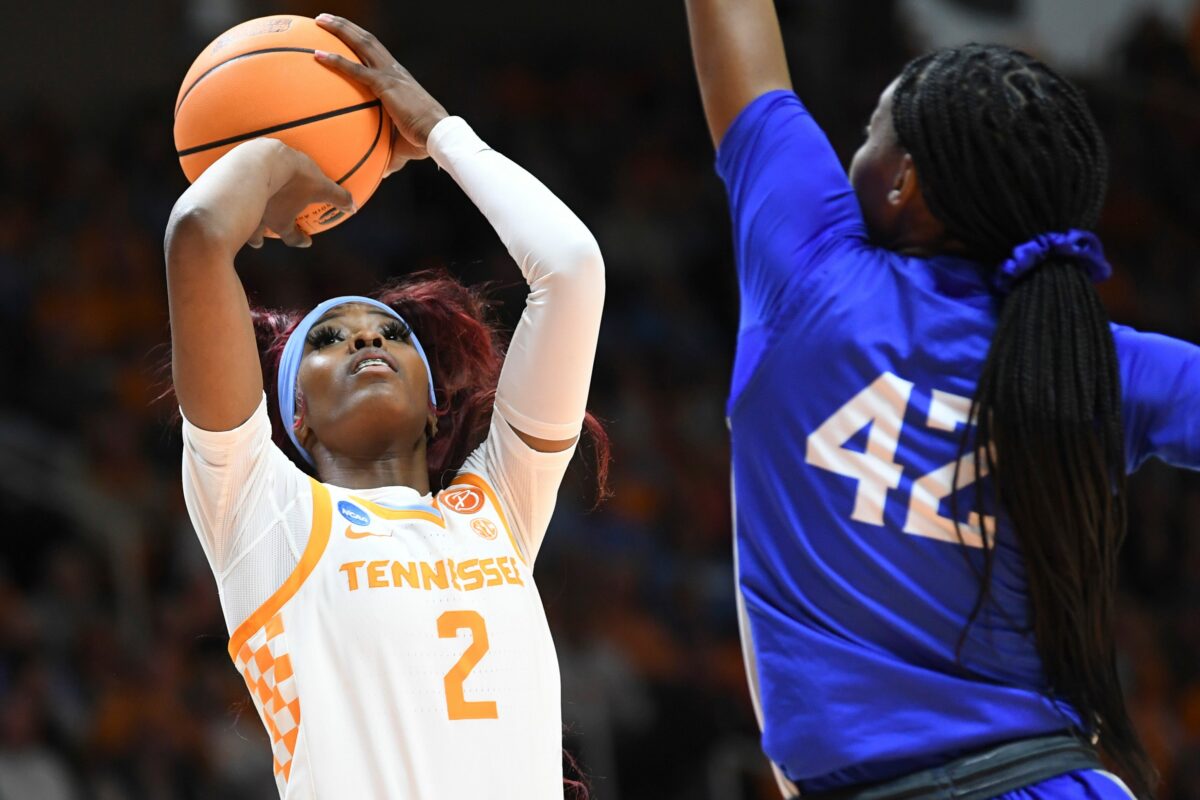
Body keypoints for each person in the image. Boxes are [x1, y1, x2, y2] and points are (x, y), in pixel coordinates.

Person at [684, 1, 1200, 798]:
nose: (852, 151)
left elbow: (738, 42)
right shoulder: (1094, 362)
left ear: (905, 181)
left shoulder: (811, 269)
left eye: (867, 133)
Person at [165, 14, 607, 799]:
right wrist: (272, 149)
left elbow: (571, 269)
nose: (365, 342)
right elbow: (199, 233)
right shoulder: (263, 513)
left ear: (436, 408)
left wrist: (441, 133)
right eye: (329, 338)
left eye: (390, 334)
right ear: (292, 417)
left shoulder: (496, 508)